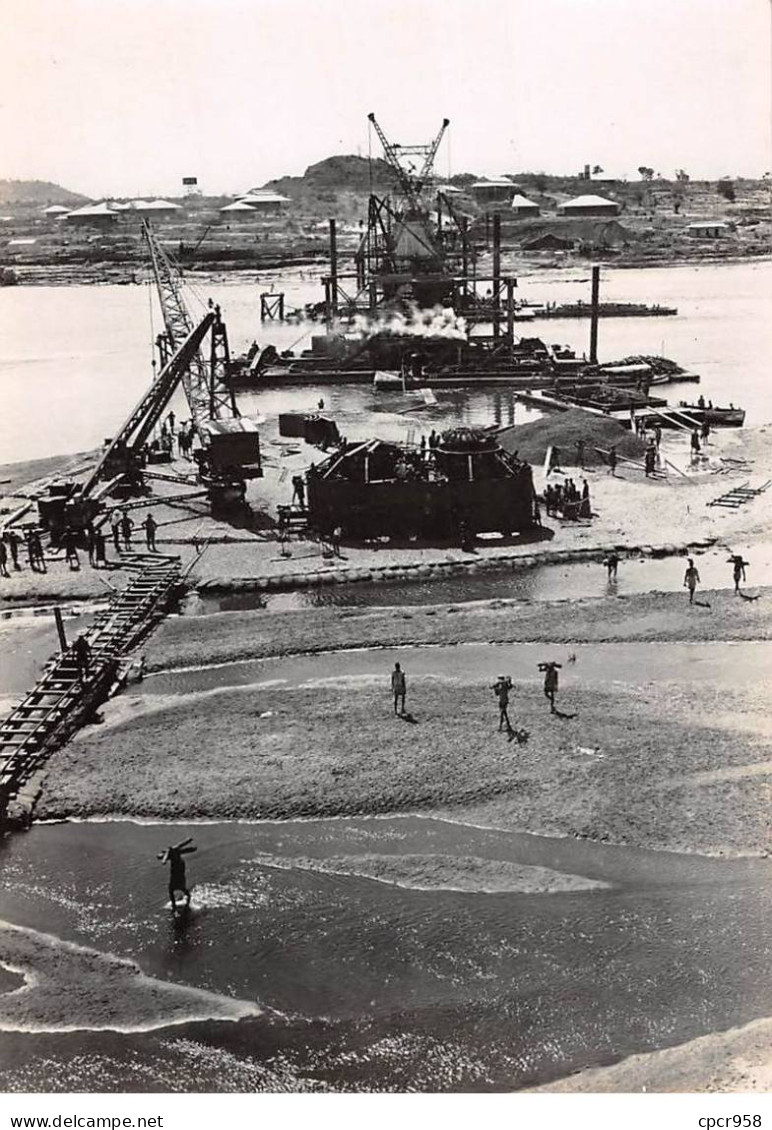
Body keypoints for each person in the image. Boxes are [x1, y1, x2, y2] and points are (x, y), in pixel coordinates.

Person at [158, 838, 197, 912]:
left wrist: (164, 859)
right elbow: (160, 856)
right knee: (177, 889)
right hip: (177, 876)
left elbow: (182, 845)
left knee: (176, 889)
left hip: (178, 875)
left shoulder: (175, 853)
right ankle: (178, 904)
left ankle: (178, 904)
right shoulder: (174, 855)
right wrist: (164, 859)